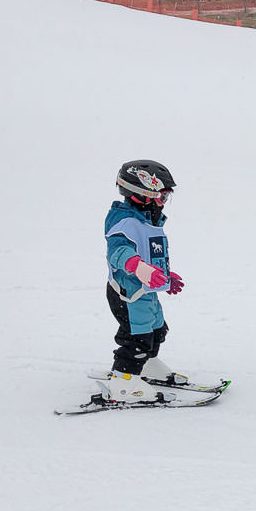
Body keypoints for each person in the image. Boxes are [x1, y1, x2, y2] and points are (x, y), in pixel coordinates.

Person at [103, 160, 186, 403]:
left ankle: (147, 365)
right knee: (136, 339)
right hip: (127, 293)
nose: (163, 203)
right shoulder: (124, 222)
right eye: (161, 197)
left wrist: (164, 278)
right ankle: (123, 381)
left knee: (158, 330)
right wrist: (139, 268)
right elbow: (119, 253)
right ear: (143, 194)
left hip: (145, 292)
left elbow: (151, 254)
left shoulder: (147, 221)